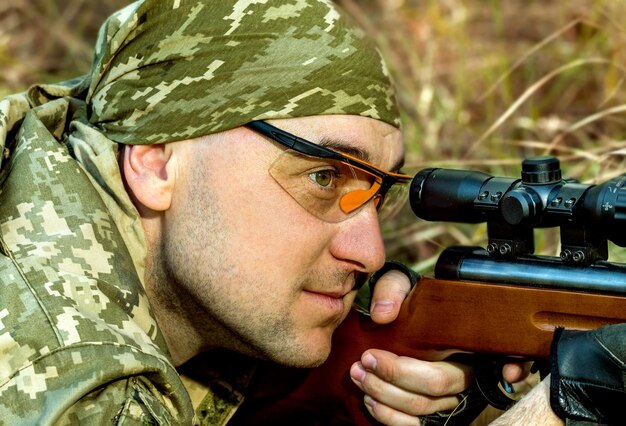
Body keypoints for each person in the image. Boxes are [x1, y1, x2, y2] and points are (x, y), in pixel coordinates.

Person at [1, 1, 619, 425]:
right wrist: (559, 406)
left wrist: (410, 366)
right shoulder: (52, 362)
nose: (371, 253)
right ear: (156, 163)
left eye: (376, 191)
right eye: (324, 176)